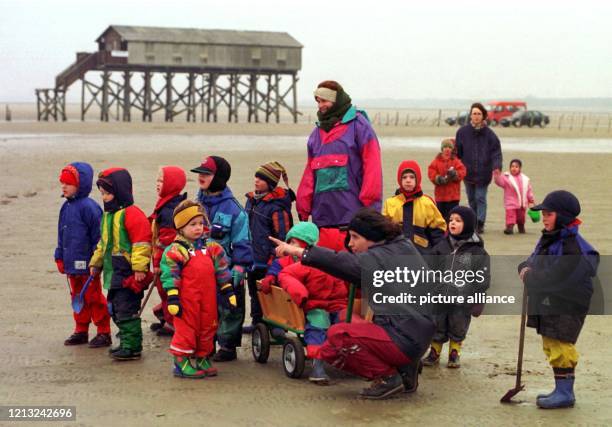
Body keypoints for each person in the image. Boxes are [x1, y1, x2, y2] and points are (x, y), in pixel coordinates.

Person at [270, 208, 435, 400]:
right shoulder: (402, 245)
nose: (350, 243)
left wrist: (299, 251)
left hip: (403, 337)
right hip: (417, 334)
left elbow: (341, 262)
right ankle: (406, 371)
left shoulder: (378, 257)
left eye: (355, 237)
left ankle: (388, 378)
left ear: (371, 237)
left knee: (337, 337)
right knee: (345, 326)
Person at [518, 190, 599, 409]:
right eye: (543, 213)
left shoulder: (572, 247)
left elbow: (556, 277)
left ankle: (565, 393)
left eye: (549, 214)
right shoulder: (549, 237)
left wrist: (531, 277)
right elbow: (534, 259)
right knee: (551, 341)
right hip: (551, 301)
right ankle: (560, 388)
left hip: (568, 303)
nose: (543, 217)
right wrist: (525, 266)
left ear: (562, 217)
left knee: (562, 344)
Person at [297, 80, 382, 251]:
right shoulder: (316, 134)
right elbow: (310, 173)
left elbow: (373, 167)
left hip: (352, 218)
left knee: (351, 271)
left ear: (336, 100)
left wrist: (370, 207)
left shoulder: (359, 125)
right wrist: (303, 205)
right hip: (322, 219)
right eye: (318, 101)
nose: (321, 106)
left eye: (324, 101)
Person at [160, 200, 237, 378]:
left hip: (208, 298)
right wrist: (172, 296)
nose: (198, 228)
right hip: (187, 300)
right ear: (181, 227)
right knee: (187, 328)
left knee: (209, 326)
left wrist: (228, 291)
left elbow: (222, 270)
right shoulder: (177, 250)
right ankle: (181, 360)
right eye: (192, 224)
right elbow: (170, 274)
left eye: (201, 223)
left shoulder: (211, 248)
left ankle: (203, 356)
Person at [191, 156, 253, 362]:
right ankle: (205, 344)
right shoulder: (196, 203)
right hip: (199, 267)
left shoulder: (233, 209)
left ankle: (227, 346)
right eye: (200, 173)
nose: (201, 177)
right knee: (202, 307)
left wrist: (240, 266)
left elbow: (243, 240)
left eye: (206, 174)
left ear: (218, 178)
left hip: (225, 269)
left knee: (229, 309)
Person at [89, 168, 153, 361]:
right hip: (113, 271)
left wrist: (140, 268)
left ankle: (132, 346)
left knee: (127, 310)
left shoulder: (132, 214)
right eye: (102, 193)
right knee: (115, 309)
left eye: (107, 193)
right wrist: (96, 262)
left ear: (120, 192)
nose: (104, 197)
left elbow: (142, 243)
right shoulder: (108, 216)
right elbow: (103, 243)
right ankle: (126, 342)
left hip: (128, 273)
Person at [273, 222, 348, 384]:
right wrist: (301, 294)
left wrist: (342, 301)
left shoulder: (324, 261)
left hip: (335, 303)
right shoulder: (301, 265)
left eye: (295, 242)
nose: (291, 246)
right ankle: (317, 366)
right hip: (315, 304)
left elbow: (340, 283)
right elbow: (286, 276)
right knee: (318, 325)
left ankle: (349, 357)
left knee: (345, 324)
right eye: (290, 242)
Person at [423, 206, 490, 368]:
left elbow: (483, 277)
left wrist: (478, 297)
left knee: (458, 323)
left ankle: (454, 351)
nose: (452, 223)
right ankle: (435, 350)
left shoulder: (477, 252)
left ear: (467, 225)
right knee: (437, 322)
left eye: (458, 221)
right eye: (451, 220)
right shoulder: (442, 247)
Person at [55, 162, 111, 347]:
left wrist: (98, 261)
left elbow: (99, 236)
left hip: (88, 264)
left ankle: (104, 331)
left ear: (80, 185)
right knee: (77, 296)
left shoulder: (89, 208)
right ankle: (81, 329)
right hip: (71, 263)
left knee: (93, 296)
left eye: (68, 183)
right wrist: (59, 256)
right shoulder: (65, 207)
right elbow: (62, 234)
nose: (64, 186)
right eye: (62, 183)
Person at [243, 161, 294, 333]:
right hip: (252, 258)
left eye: (262, 179)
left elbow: (283, 237)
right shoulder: (251, 201)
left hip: (269, 260)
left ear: (271, 183)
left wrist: (275, 259)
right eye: (256, 176)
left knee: (271, 294)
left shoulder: (277, 207)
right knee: (254, 291)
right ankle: (257, 323)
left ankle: (275, 327)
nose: (256, 180)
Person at [149, 166, 187, 336]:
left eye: (162, 181)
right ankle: (165, 316)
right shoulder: (166, 203)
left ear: (172, 185)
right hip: (168, 257)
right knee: (166, 289)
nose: (158, 184)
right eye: (157, 180)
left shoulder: (168, 210)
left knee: (167, 289)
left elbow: (166, 241)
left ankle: (172, 323)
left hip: (168, 259)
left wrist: (157, 263)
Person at [455, 102, 503, 234]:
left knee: (480, 197)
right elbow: (457, 152)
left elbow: (496, 152)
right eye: (474, 113)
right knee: (471, 199)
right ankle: (474, 220)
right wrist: (455, 167)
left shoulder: (490, 134)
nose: (476, 116)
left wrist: (497, 166)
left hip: (484, 172)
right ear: (470, 115)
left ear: (483, 116)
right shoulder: (462, 132)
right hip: (467, 172)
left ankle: (480, 223)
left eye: (479, 114)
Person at [383, 160, 446, 253]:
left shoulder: (427, 203)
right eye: (404, 177)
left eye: (412, 177)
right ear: (399, 180)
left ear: (418, 179)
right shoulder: (390, 203)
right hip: (396, 253)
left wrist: (438, 254)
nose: (408, 180)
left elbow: (438, 231)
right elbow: (384, 231)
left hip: (422, 254)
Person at [427, 138, 466, 222]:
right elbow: (431, 172)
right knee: (441, 217)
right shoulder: (436, 161)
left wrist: (455, 174)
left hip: (453, 196)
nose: (447, 149)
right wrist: (438, 179)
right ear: (442, 149)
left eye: (449, 147)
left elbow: (462, 171)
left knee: (452, 217)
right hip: (440, 196)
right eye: (445, 147)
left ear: (452, 149)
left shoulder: (456, 161)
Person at [493, 159, 535, 235]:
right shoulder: (506, 178)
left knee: (521, 218)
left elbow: (529, 191)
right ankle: (509, 228)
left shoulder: (525, 179)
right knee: (510, 217)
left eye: (516, 166)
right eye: (512, 166)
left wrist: (531, 201)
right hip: (510, 203)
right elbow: (499, 182)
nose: (514, 168)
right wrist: (496, 174)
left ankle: (521, 228)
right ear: (509, 168)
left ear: (520, 168)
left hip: (521, 203)